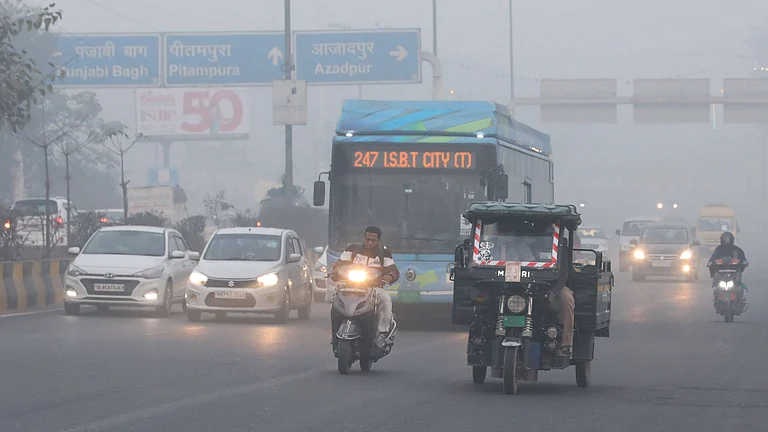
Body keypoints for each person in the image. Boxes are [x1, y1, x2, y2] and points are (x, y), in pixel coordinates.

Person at [330, 226, 400, 349]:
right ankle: (335, 333)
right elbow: (339, 264)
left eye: (373, 240)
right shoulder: (352, 250)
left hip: (373, 287)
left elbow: (393, 270)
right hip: (350, 286)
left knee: (385, 300)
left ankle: (382, 334)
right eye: (367, 239)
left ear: (378, 240)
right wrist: (336, 271)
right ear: (364, 238)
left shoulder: (384, 253)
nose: (369, 242)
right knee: (335, 298)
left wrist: (389, 276)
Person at [708, 231, 748, 307]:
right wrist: (710, 263)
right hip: (721, 274)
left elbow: (743, 259)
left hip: (734, 274)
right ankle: (717, 301)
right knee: (715, 286)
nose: (726, 241)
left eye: (727, 239)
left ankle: (740, 301)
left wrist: (744, 262)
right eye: (725, 239)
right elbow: (712, 259)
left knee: (739, 285)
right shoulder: (719, 249)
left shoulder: (737, 250)